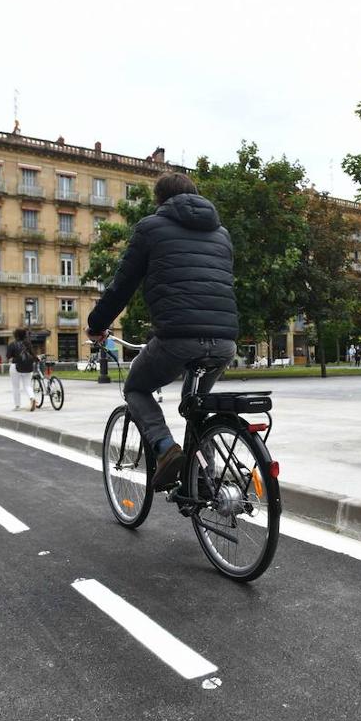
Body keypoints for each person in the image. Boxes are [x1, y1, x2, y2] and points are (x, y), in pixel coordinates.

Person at [86, 172, 238, 491]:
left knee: (136, 389)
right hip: (225, 342)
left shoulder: (150, 228)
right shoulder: (222, 234)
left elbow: (122, 286)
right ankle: (205, 480)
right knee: (197, 403)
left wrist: (97, 325)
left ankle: (167, 448)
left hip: (177, 339)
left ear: (160, 200)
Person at [7, 327, 38, 410]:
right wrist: (37, 360)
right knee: (28, 385)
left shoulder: (12, 344)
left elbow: (8, 356)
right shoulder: (28, 343)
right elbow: (33, 355)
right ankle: (32, 398)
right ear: (24, 335)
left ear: (15, 335)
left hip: (15, 366)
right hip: (28, 366)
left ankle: (17, 406)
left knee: (16, 387)